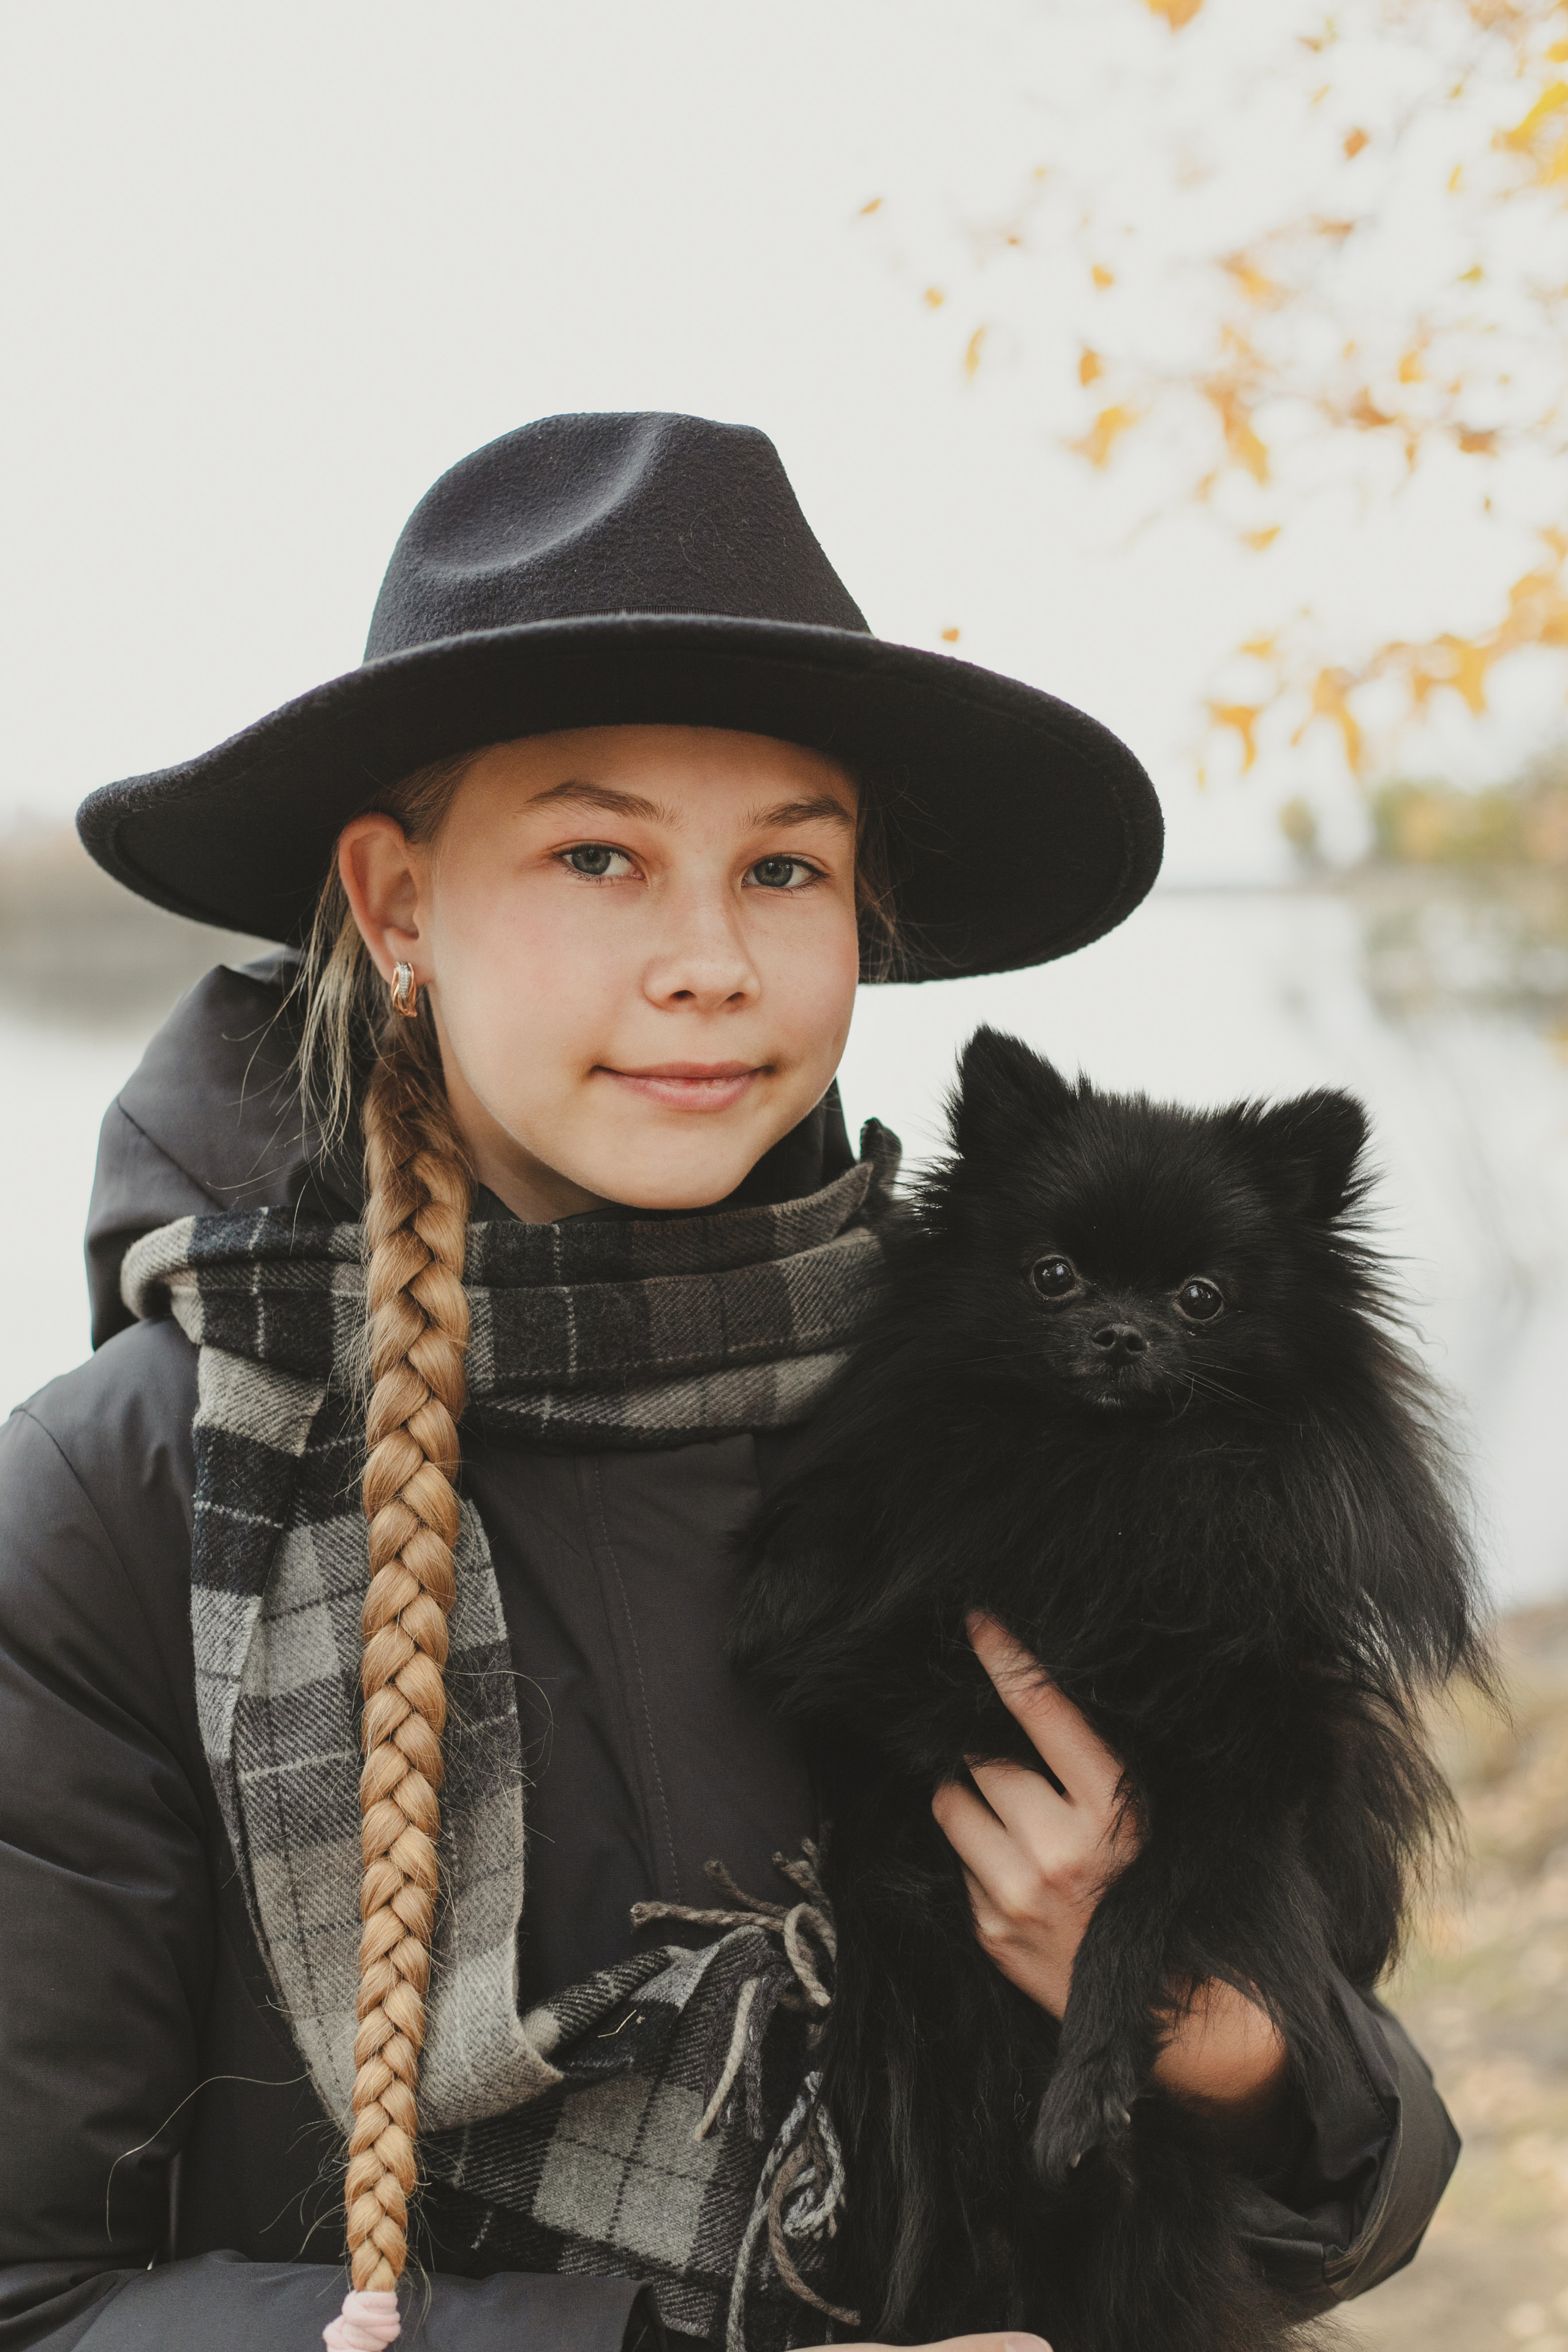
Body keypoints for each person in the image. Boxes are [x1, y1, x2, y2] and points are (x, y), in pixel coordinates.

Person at [0, 414, 1458, 2352]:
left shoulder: (1050, 1414)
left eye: (784, 867)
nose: (710, 960)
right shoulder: (126, 1505)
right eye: (598, 853)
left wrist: (1217, 2046)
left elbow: (1328, 2152)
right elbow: (43, 2297)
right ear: (397, 900)